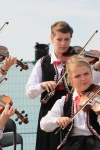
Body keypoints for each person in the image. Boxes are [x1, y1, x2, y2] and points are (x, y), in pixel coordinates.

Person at [25, 21, 100, 150]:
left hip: (79, 104)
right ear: (51, 38)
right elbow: (30, 92)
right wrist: (42, 85)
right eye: (59, 39)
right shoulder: (43, 62)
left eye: (67, 39)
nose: (64, 43)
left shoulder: (78, 61)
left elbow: (90, 82)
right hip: (51, 109)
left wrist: (97, 68)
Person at [40, 55, 100, 150]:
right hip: (72, 144)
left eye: (86, 74)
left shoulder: (97, 94)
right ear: (70, 79)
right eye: (77, 76)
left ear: (91, 74)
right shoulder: (64, 101)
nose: (83, 79)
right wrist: (57, 120)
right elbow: (44, 124)